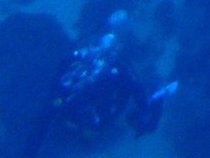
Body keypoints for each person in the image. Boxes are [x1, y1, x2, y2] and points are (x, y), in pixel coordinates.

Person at [23, 12, 177, 158]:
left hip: (71, 113)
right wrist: (154, 104)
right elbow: (140, 102)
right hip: (94, 120)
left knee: (48, 118)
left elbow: (56, 83)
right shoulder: (119, 72)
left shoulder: (76, 59)